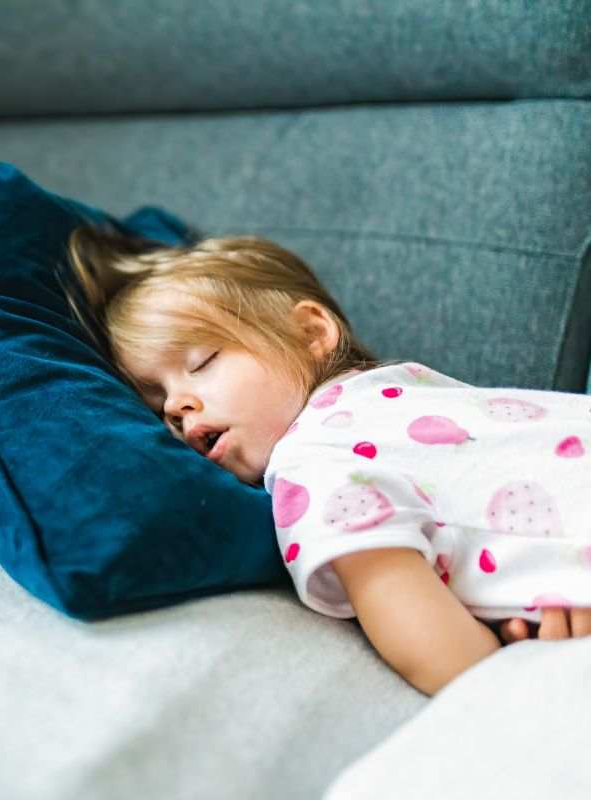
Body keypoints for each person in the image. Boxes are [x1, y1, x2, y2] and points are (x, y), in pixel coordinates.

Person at [63, 226, 591, 695]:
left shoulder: (313, 459)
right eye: (159, 407)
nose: (178, 407)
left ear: (311, 332)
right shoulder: (403, 390)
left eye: (201, 361)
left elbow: (441, 654)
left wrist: (514, 680)